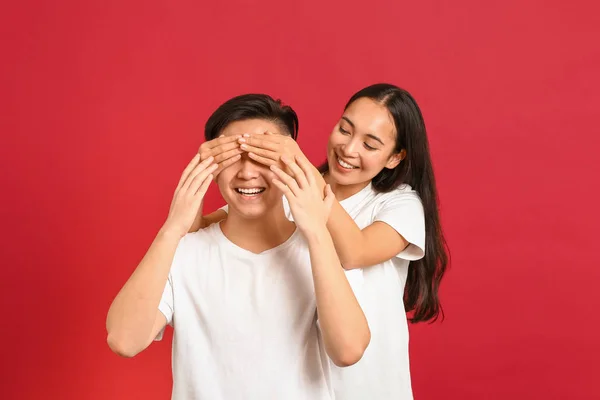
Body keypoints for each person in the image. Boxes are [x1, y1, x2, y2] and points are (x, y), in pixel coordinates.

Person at [105, 94, 371, 400]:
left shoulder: (321, 249)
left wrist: (315, 231)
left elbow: (348, 351)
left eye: (263, 155)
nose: (247, 172)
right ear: (212, 167)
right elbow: (124, 341)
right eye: (232, 157)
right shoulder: (185, 252)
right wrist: (172, 228)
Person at [196, 84, 449, 400]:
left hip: (370, 386)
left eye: (370, 145)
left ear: (395, 157)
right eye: (345, 129)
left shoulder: (399, 204)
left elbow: (354, 252)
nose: (349, 149)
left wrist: (299, 168)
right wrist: (206, 165)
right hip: (302, 384)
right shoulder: (292, 189)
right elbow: (198, 229)